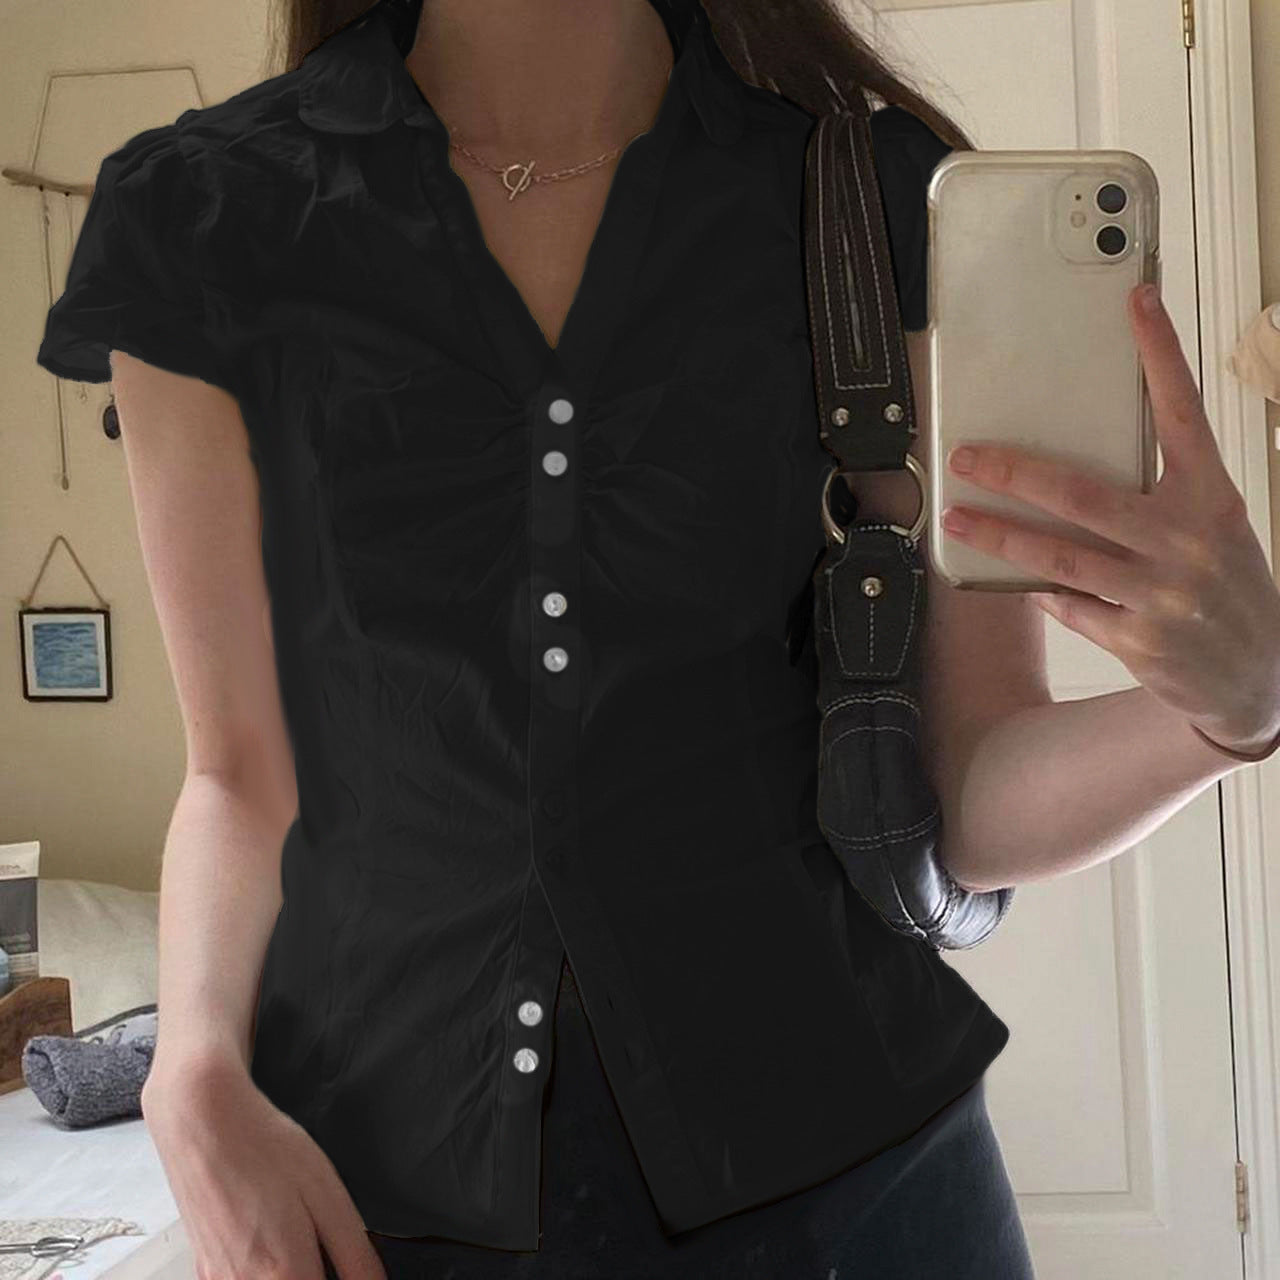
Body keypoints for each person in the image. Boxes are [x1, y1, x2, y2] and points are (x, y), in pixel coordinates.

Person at [37, 0, 1280, 1276]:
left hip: (853, 1195)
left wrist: (1233, 707)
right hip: (383, 1208)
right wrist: (191, 1069)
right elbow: (238, 774)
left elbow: (966, 789)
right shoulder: (200, 217)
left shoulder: (868, 199)